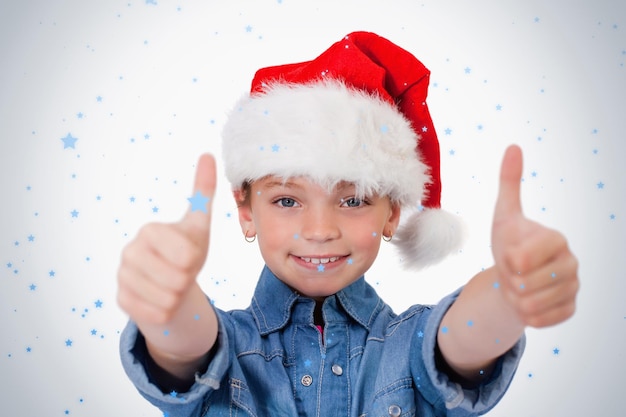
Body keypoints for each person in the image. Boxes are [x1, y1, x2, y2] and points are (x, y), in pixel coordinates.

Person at [118, 31, 579, 417]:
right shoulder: (227, 342)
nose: (320, 230)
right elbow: (185, 345)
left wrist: (508, 291)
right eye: (286, 200)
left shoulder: (406, 344)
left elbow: (462, 338)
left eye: (353, 199)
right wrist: (169, 302)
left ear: (392, 213)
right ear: (245, 210)